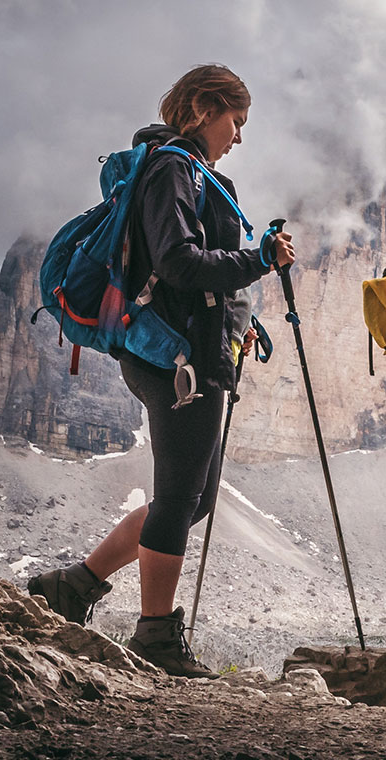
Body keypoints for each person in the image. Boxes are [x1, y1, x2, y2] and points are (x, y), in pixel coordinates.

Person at [27, 64, 295, 678]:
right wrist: (256, 259)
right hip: (177, 363)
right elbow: (177, 262)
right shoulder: (173, 167)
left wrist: (236, 319)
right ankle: (154, 636)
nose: (239, 136)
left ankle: (76, 585)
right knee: (180, 497)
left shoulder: (187, 172)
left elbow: (186, 272)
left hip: (194, 354)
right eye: (236, 120)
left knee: (194, 498)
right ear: (203, 107)